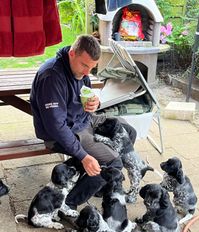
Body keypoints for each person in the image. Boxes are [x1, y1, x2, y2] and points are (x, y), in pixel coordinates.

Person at [30, 34, 136, 207]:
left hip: (84, 120)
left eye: (92, 68)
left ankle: (98, 185)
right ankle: (69, 203)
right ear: (72, 53)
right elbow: (56, 126)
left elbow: (85, 92)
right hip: (64, 132)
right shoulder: (51, 77)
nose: (87, 72)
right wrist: (83, 156)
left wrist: (95, 102)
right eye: (84, 65)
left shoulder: (79, 70)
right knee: (114, 162)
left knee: (129, 131)